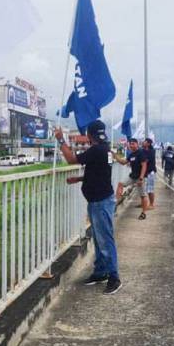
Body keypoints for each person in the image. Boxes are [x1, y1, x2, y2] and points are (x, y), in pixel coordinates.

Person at [54, 120, 122, 295]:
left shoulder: (96, 150)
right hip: (99, 200)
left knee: (105, 239)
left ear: (89, 135)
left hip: (100, 201)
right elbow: (98, 172)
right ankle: (100, 273)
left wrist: (61, 140)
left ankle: (114, 277)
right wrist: (78, 179)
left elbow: (71, 159)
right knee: (100, 240)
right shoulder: (105, 149)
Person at [114, 138, 148, 220]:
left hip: (140, 177)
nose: (131, 145)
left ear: (137, 144)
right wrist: (115, 156)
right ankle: (117, 202)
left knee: (143, 195)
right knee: (120, 184)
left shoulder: (141, 153)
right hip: (132, 176)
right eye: (130, 144)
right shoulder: (131, 154)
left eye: (133, 144)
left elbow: (144, 165)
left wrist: (141, 178)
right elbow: (123, 162)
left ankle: (143, 213)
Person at [142, 138, 157, 208]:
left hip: (150, 172)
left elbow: (146, 160)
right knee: (143, 189)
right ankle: (144, 203)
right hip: (145, 173)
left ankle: (152, 204)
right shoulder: (143, 151)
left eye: (144, 142)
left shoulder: (151, 151)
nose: (143, 142)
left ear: (148, 143)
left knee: (150, 189)